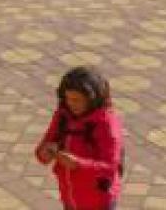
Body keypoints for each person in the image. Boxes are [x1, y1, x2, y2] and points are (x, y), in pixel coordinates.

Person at [34, 66, 124, 210]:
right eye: (68, 98)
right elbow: (46, 142)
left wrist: (78, 164)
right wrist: (44, 153)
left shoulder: (106, 124)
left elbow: (110, 167)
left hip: (98, 201)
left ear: (92, 99)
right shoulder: (63, 116)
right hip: (69, 196)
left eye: (77, 100)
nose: (71, 104)